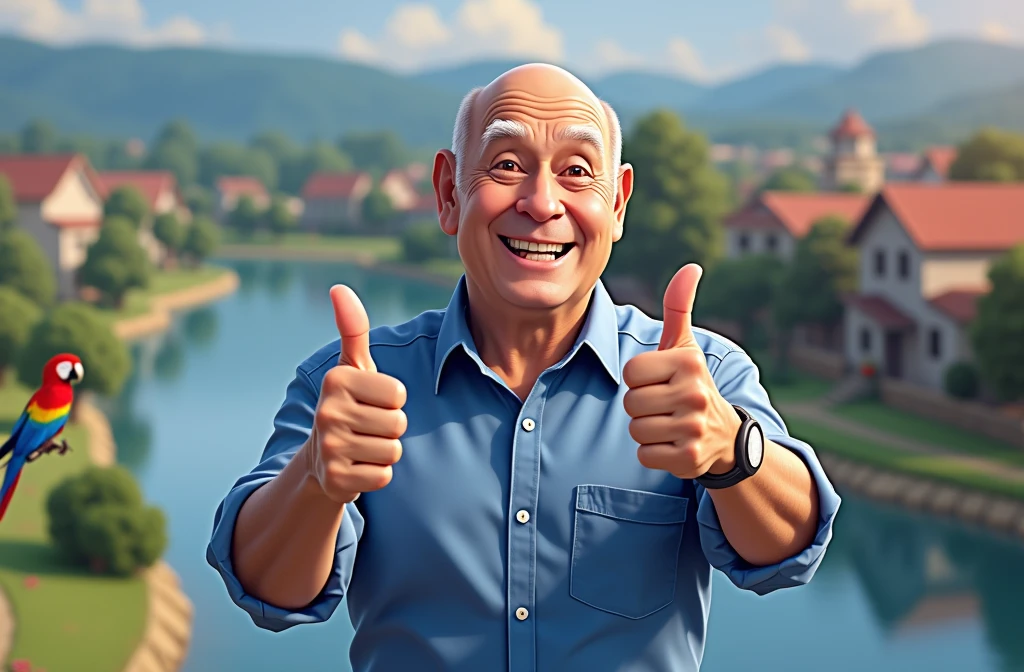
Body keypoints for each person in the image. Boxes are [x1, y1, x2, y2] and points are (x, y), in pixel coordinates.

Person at [207, 63, 841, 671]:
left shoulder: (699, 377)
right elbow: (268, 589)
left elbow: (788, 552)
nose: (541, 203)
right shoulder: (349, 387)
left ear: (617, 204)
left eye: (576, 171)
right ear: (449, 192)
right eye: (508, 164)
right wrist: (317, 480)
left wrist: (734, 452)